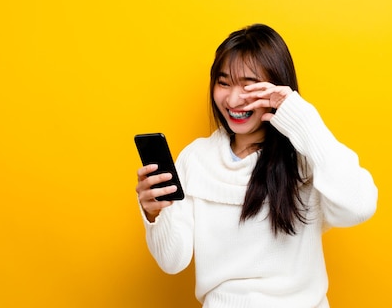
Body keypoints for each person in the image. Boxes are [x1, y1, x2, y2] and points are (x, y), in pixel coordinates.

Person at [135, 24, 378, 308]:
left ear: (276, 86)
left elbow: (359, 206)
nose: (234, 99)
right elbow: (172, 261)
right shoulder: (195, 159)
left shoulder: (304, 155)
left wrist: (301, 117)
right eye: (224, 83)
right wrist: (155, 214)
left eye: (249, 85)